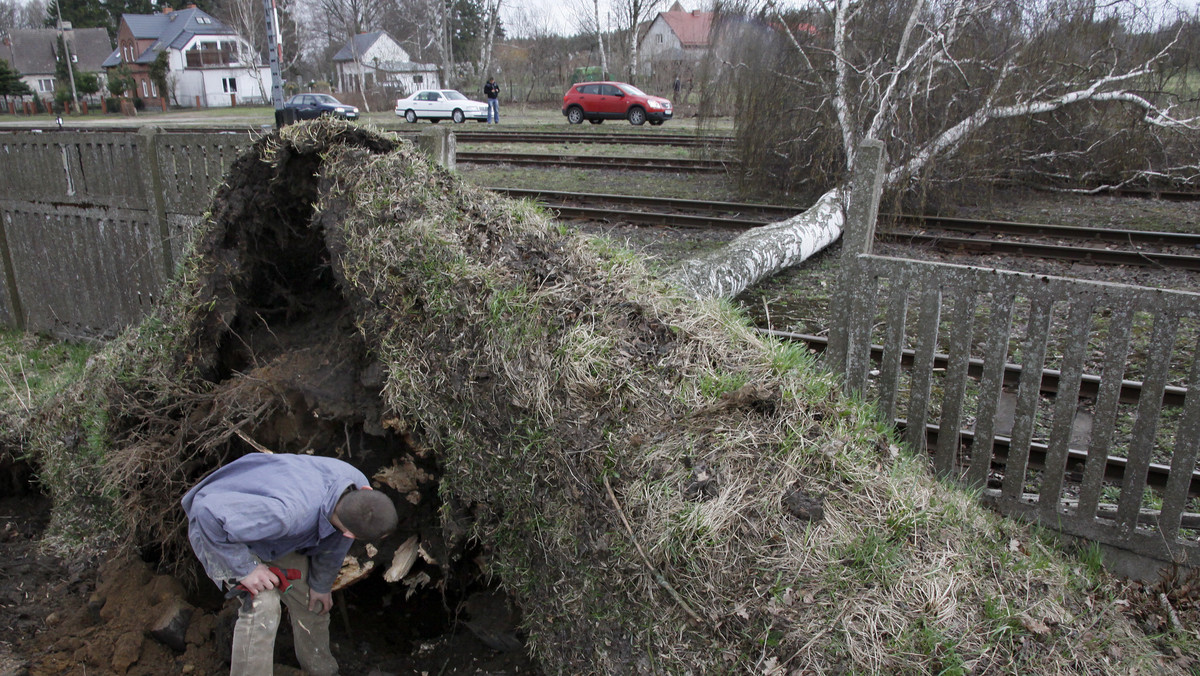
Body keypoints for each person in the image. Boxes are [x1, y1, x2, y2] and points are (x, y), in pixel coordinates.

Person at [182, 453, 398, 676]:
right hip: (221, 533)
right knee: (263, 606)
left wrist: (321, 585)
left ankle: (322, 671)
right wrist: (245, 568)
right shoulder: (288, 514)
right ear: (352, 534)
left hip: (272, 536)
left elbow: (335, 540)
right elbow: (205, 511)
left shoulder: (356, 484)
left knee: (313, 602)